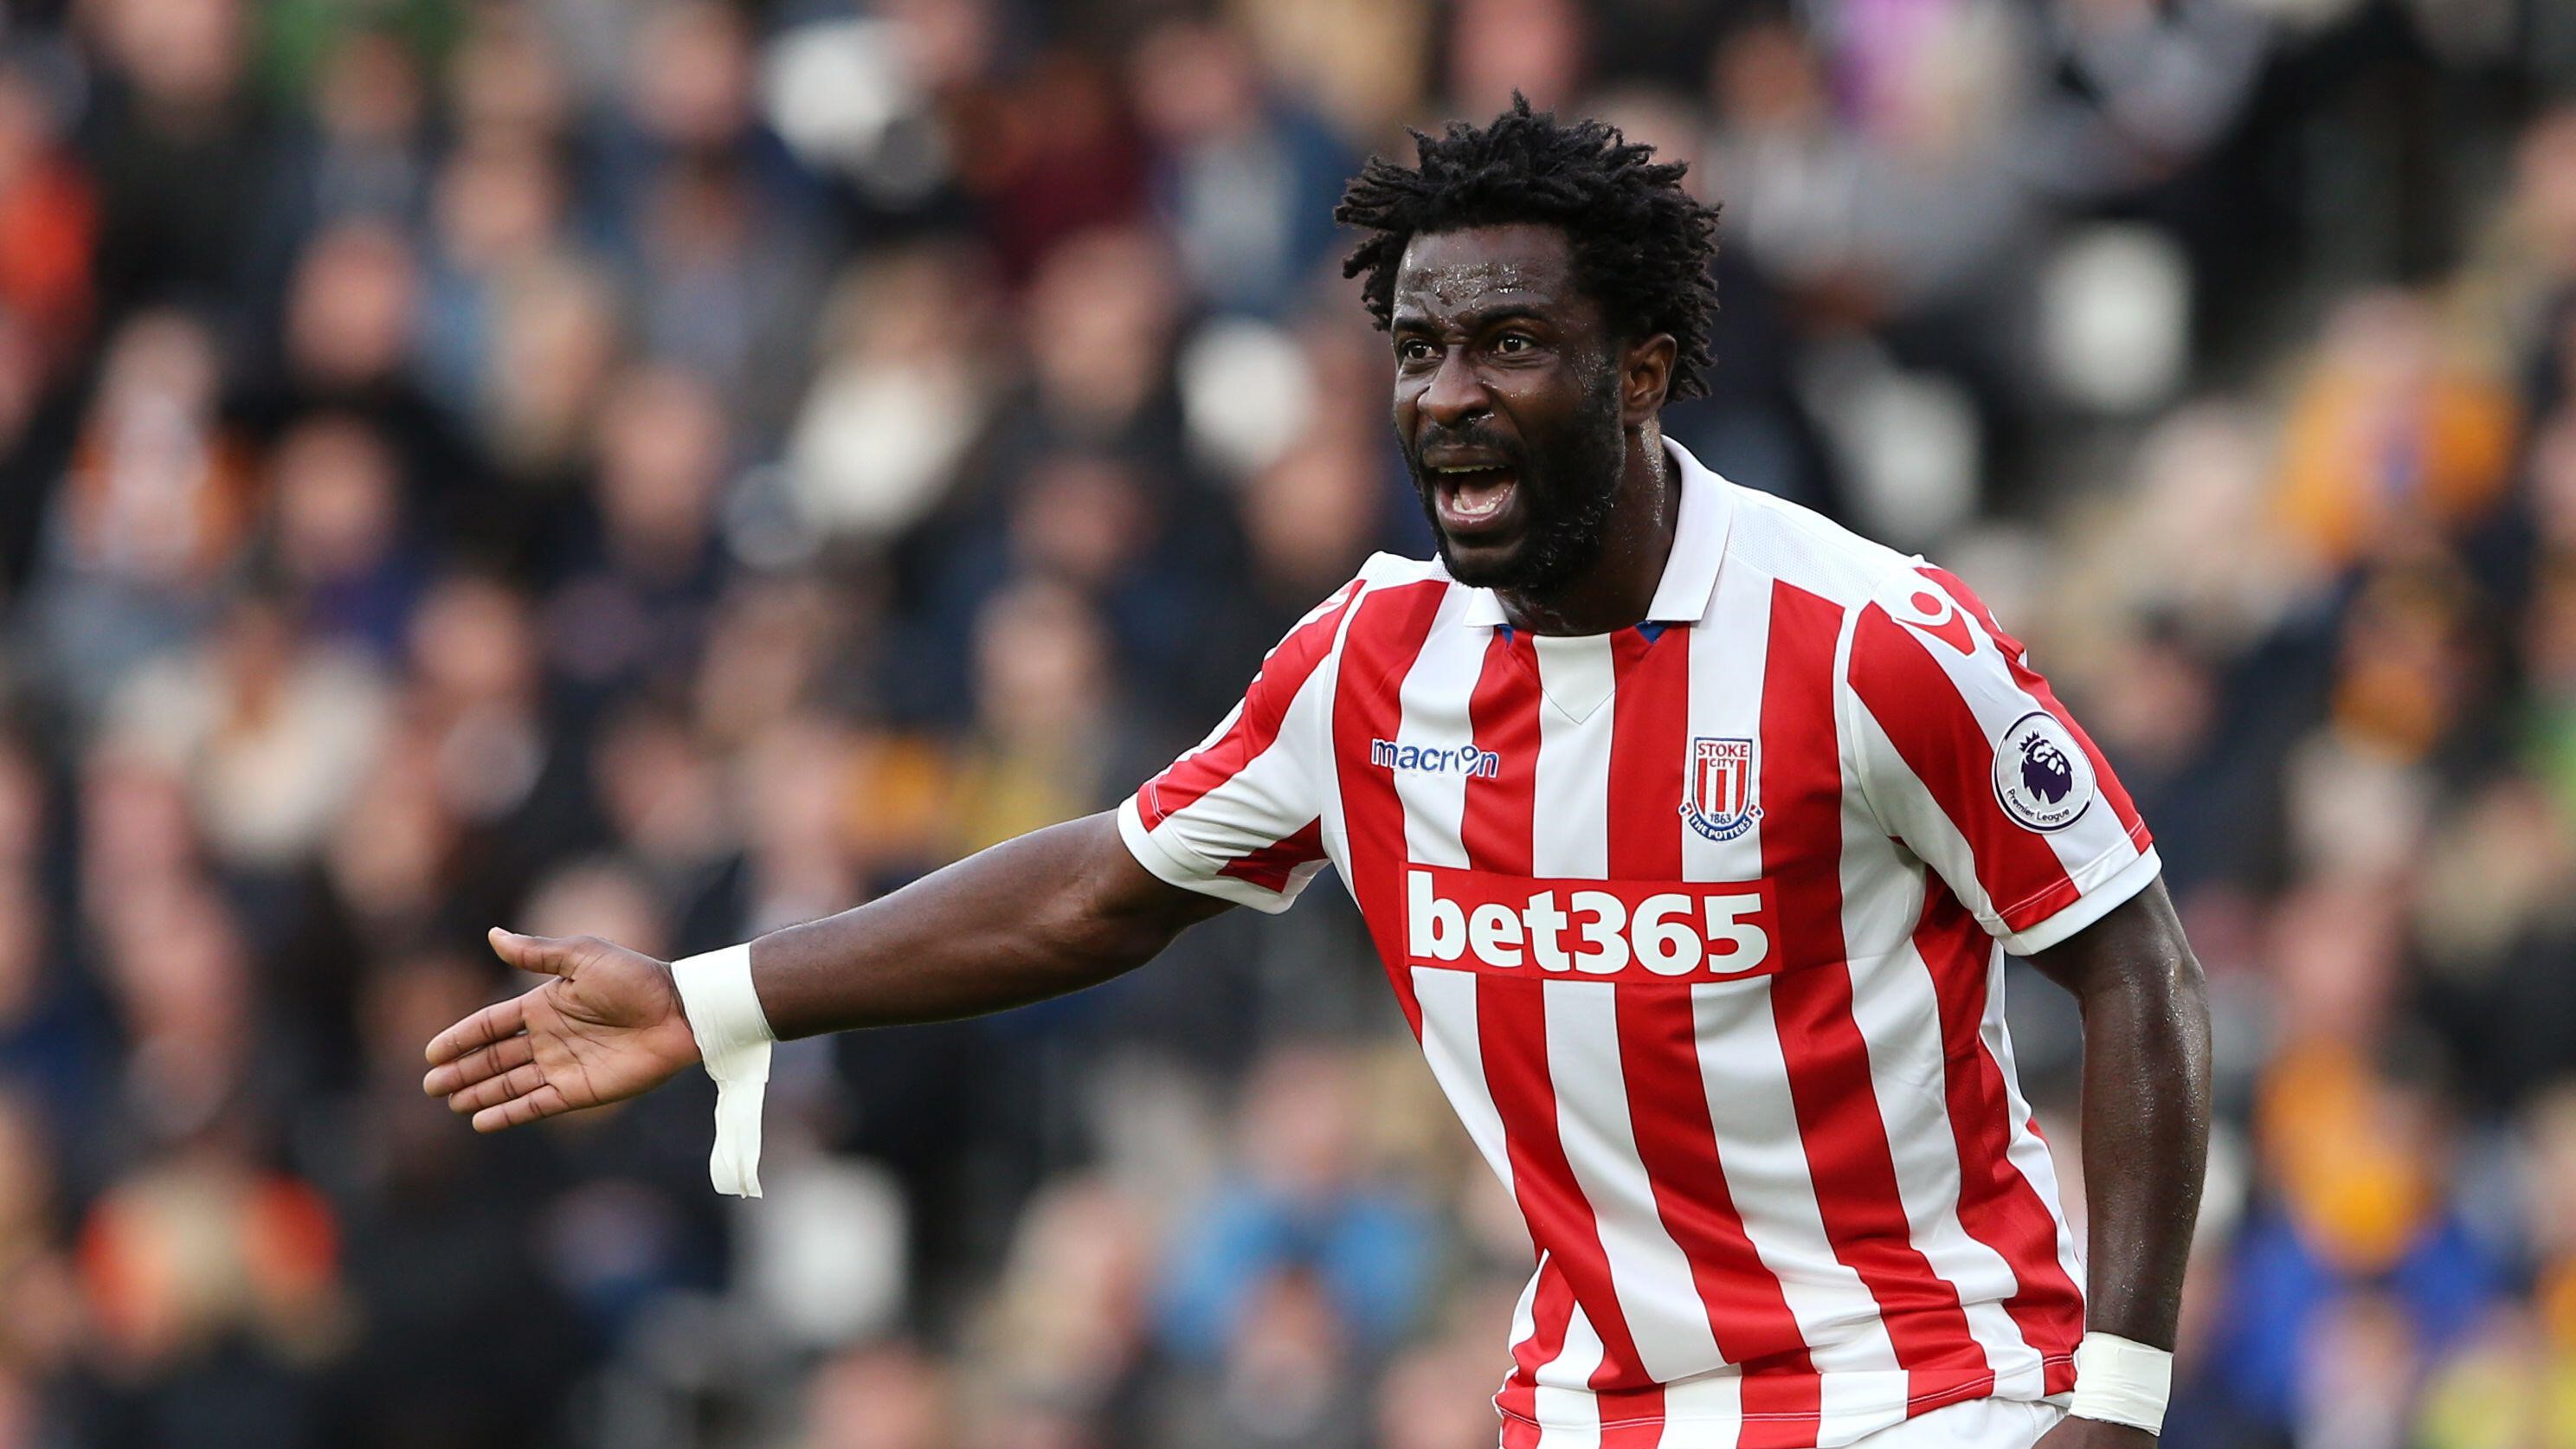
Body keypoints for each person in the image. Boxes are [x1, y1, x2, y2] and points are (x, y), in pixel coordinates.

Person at [423, 100, 2208, 1449]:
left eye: (1510, 344)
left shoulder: (1861, 637)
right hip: (1601, 1406)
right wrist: (716, 994)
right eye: (1419, 350)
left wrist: (2117, 1405)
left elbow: (2134, 967)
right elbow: (1102, 889)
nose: (1446, 396)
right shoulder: (1371, 664)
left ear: (1644, 369)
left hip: (1934, 1388)